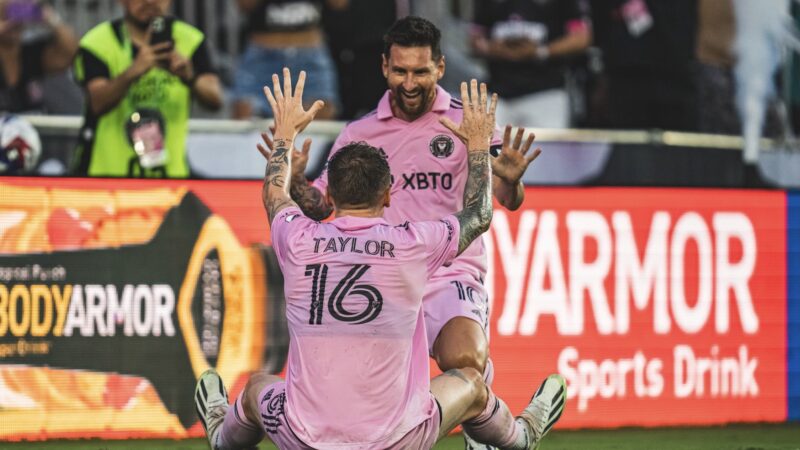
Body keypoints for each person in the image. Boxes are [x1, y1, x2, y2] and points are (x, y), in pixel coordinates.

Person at [195, 67, 565, 450]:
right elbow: (479, 215)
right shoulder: (412, 244)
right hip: (398, 440)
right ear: (388, 195)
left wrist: (285, 134)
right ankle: (521, 436)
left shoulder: (296, 237)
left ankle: (221, 435)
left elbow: (274, 193)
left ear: (331, 196)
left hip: (303, 439)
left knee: (256, 387)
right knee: (472, 384)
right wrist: (477, 148)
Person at [279, 16, 541, 448]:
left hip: (448, 271)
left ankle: (482, 427)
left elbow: (506, 201)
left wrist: (511, 182)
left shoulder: (468, 124)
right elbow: (322, 206)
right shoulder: (359, 133)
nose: (409, 82)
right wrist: (295, 184)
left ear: (440, 67)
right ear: (385, 66)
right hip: (381, 277)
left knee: (465, 358)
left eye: (420, 71)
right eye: (400, 70)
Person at [72, 0, 223, 178]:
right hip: (106, 177)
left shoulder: (191, 40)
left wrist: (189, 76)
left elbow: (215, 98)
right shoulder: (97, 42)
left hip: (171, 178)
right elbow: (97, 102)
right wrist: (134, 71)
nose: (150, 1)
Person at [470, 0, 592, 128]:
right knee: (484, 140)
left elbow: (582, 37)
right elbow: (475, 37)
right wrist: (491, 48)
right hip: (497, 94)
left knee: (545, 141)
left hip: (545, 94)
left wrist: (540, 51)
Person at [230, 0, 345, 120]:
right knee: (247, 121)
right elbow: (244, 4)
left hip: (310, 57)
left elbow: (339, 4)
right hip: (263, 58)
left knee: (320, 121)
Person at [0, 0, 78, 113]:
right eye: (4, 16)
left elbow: (72, 53)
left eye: (14, 13)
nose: (11, 23)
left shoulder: (31, 54)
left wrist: (50, 18)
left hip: (33, 122)